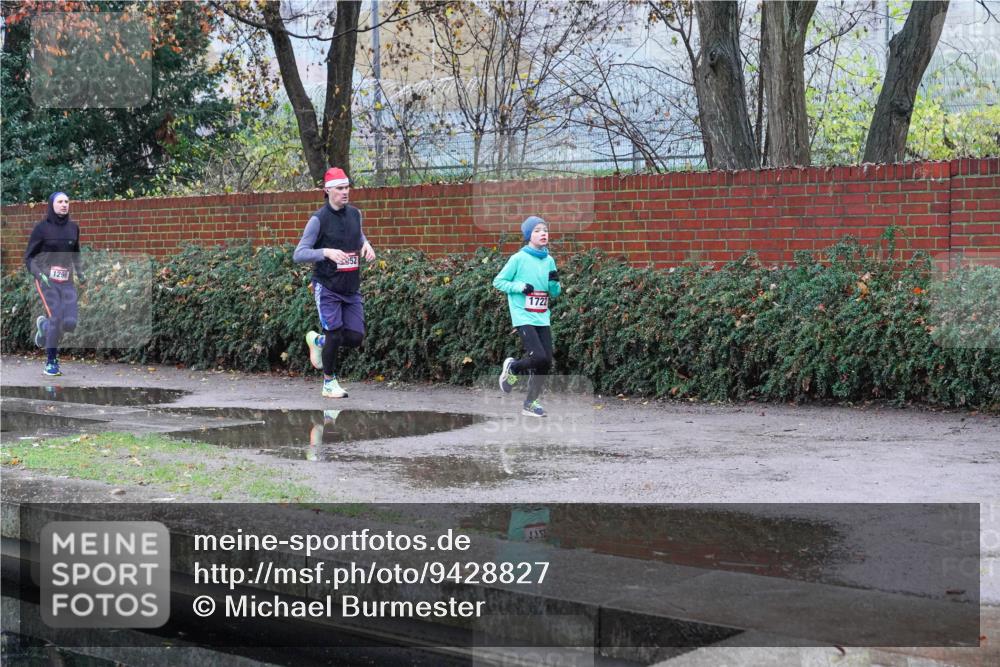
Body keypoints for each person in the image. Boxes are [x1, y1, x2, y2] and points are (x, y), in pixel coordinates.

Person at [293, 167, 375, 398]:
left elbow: (357, 234)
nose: (345, 192)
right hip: (327, 285)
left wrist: (365, 244)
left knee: (356, 337)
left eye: (347, 187)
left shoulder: (355, 214)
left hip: (351, 287)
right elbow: (299, 254)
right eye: (340, 188)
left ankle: (318, 341)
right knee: (335, 334)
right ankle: (329, 383)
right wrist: (326, 252)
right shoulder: (318, 220)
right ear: (328, 190)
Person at [493, 216, 561, 417]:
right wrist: (520, 287)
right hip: (523, 315)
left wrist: (554, 284)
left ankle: (530, 403)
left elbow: (554, 292)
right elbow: (498, 281)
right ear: (528, 235)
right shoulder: (518, 258)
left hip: (542, 316)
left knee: (545, 361)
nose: (543, 233)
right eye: (537, 230)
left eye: (545, 230)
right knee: (538, 356)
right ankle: (513, 368)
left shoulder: (549, 260)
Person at [24, 192, 85, 377]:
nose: (64, 204)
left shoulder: (73, 228)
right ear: (52, 205)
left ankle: (44, 327)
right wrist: (39, 274)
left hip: (67, 281)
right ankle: (51, 362)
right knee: (56, 318)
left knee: (70, 323)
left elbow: (76, 253)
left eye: (67, 201)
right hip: (46, 281)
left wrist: (81, 273)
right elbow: (29, 257)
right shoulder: (41, 229)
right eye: (60, 201)